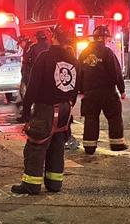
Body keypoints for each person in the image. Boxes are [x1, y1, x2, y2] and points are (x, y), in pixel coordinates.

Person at [11, 24, 78, 195]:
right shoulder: (74, 60)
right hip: (65, 110)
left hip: (46, 110)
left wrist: (26, 111)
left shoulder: (45, 57)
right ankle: (54, 183)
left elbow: (32, 87)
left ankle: (31, 185)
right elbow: (77, 88)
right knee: (57, 147)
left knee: (35, 147)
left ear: (53, 38)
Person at [78, 25, 127, 155]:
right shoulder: (107, 53)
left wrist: (81, 90)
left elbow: (79, 73)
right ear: (102, 38)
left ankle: (89, 147)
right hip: (107, 93)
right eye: (106, 38)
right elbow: (116, 72)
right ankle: (117, 144)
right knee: (114, 117)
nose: (107, 40)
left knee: (91, 119)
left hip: (89, 93)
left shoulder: (84, 53)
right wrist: (122, 90)